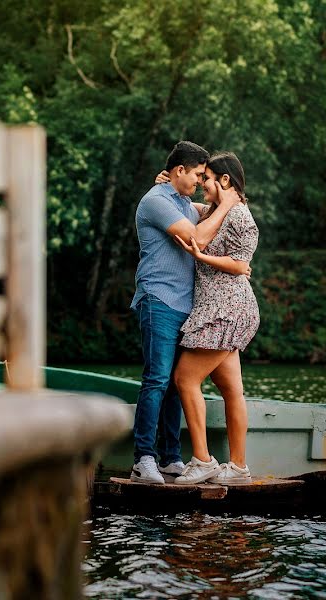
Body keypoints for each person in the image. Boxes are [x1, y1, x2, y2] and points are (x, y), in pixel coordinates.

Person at [129, 141, 241, 484]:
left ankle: (171, 458)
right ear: (179, 170)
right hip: (158, 300)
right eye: (196, 174)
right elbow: (196, 238)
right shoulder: (157, 201)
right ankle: (143, 459)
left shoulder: (178, 200)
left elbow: (206, 210)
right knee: (158, 379)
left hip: (185, 306)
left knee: (178, 385)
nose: (198, 181)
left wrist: (228, 197)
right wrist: (228, 205)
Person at [166, 152, 260, 485]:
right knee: (231, 388)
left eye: (206, 177)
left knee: (184, 379)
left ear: (224, 180)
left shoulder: (239, 216)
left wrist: (202, 254)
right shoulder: (219, 211)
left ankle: (203, 460)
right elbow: (193, 215)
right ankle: (237, 468)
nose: (201, 183)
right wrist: (168, 187)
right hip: (219, 306)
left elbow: (203, 241)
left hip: (227, 310)